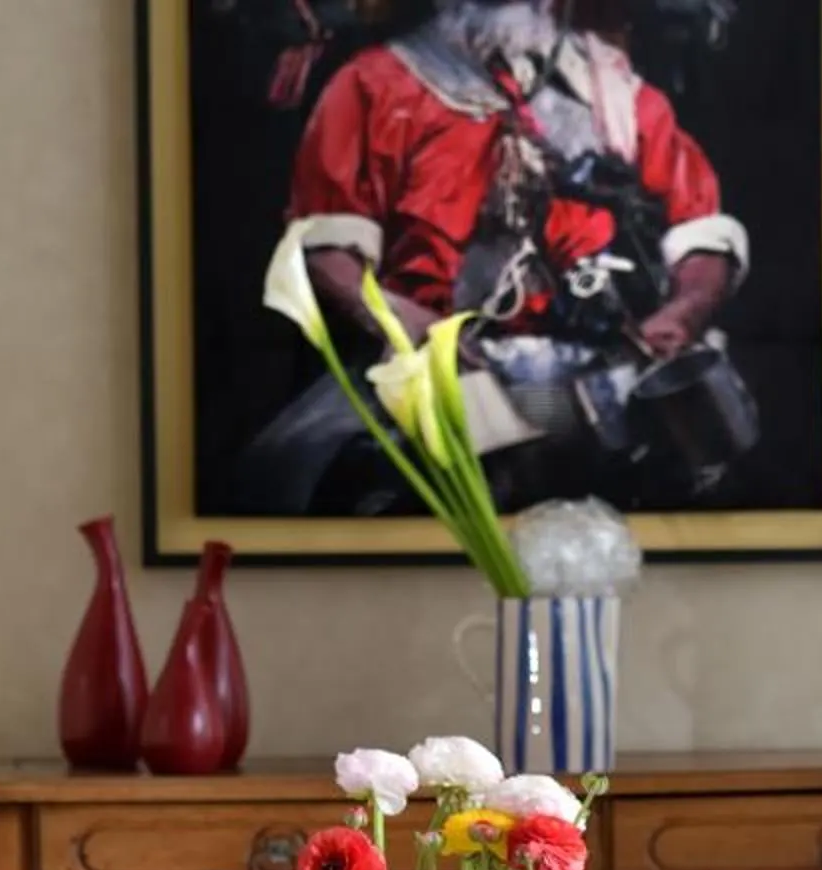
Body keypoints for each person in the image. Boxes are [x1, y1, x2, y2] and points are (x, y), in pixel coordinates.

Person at [246, 0, 755, 512]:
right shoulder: (374, 85)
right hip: (443, 378)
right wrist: (401, 319)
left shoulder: (617, 94)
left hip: (607, 380)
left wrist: (681, 313)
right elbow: (326, 249)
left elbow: (700, 232)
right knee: (312, 472)